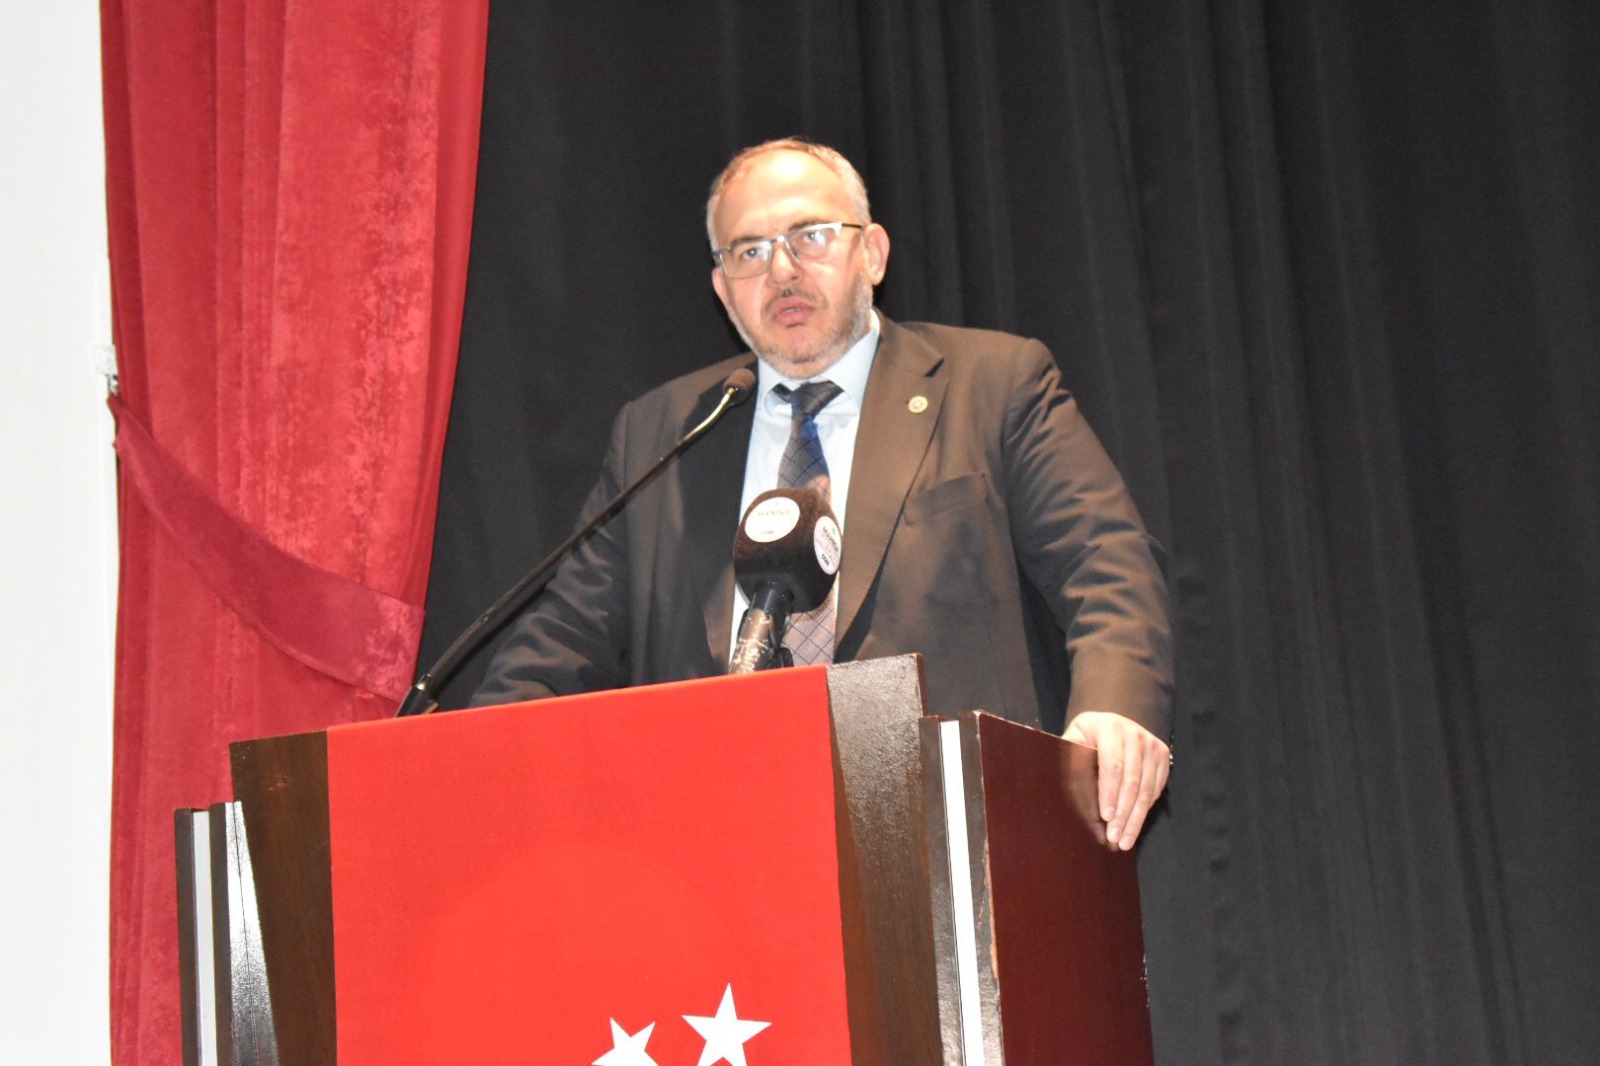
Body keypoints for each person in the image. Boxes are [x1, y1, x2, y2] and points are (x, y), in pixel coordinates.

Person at [474, 138, 1173, 848]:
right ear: (722, 287)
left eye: (810, 235)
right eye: (749, 251)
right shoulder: (664, 430)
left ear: (872, 253)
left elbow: (1104, 561)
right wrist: (470, 765)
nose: (782, 269)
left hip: (952, 828)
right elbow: (565, 637)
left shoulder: (990, 384)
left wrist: (1116, 709)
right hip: (722, 839)